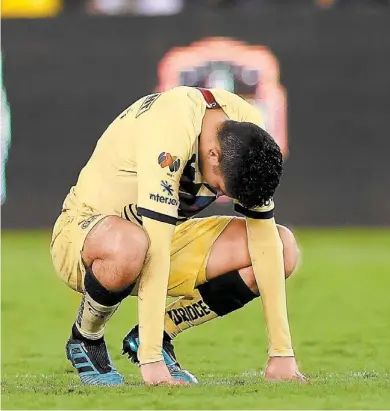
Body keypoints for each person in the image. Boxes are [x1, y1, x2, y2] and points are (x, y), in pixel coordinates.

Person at [50, 86, 306, 386]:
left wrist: (282, 354)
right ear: (213, 154)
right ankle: (87, 337)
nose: (219, 194)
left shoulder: (246, 133)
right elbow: (153, 246)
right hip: (86, 237)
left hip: (166, 235)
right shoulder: (170, 126)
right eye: (221, 189)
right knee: (132, 243)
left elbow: (264, 242)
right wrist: (152, 360)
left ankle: (162, 330)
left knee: (284, 247)